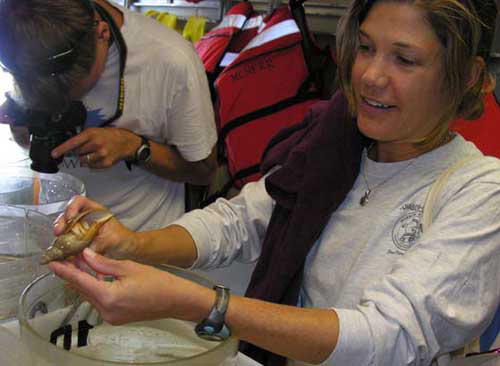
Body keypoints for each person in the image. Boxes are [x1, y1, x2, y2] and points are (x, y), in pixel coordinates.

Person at [48, 0, 500, 365]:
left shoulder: (479, 190)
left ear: (468, 75)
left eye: (404, 59)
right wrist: (130, 244)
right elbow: (241, 219)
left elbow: (387, 338)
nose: (369, 77)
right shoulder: (336, 146)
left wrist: (200, 303)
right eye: (365, 47)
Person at [0, 0, 217, 230]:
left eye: (74, 92)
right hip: (54, 233)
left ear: (101, 34)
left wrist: (133, 147)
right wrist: (24, 121)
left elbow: (204, 172)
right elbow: (26, 140)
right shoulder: (21, 39)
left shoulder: (171, 60)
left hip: (140, 244)